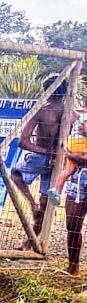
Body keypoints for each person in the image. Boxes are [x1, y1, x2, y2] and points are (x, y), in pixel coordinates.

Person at [13, 76, 68, 239]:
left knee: (15, 173)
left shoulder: (42, 111)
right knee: (45, 202)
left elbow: (23, 141)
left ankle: (32, 203)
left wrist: (45, 152)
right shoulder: (72, 114)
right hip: (60, 161)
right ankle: (31, 243)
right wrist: (58, 155)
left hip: (42, 157)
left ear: (47, 92)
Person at [60, 108, 87, 276]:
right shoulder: (77, 118)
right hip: (78, 180)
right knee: (72, 224)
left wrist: (70, 155)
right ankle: (73, 266)